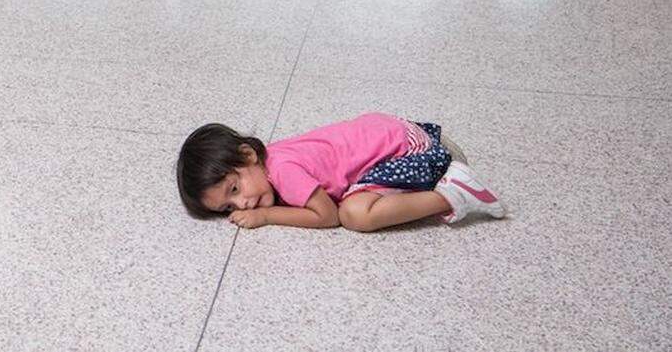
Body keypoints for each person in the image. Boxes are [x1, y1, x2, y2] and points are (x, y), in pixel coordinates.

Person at [175, 113, 505, 231]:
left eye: (235, 189)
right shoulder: (270, 159)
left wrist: (269, 216)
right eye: (229, 207)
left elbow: (327, 216)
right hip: (404, 132)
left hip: (412, 150)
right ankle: (447, 176)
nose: (243, 204)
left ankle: (453, 193)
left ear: (248, 156)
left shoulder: (283, 172)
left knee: (355, 214)